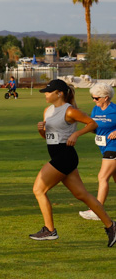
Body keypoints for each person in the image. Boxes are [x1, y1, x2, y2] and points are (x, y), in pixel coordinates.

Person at [30, 79, 116, 246]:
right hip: (57, 155)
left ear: (59, 93)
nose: (46, 94)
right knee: (82, 195)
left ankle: (50, 230)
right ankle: (111, 226)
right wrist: (42, 131)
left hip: (65, 156)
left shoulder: (69, 111)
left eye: (49, 91)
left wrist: (76, 134)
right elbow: (48, 138)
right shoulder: (47, 111)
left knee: (38, 189)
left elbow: (92, 123)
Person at [81, 83, 116, 221]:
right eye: (93, 97)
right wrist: (90, 128)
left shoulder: (114, 110)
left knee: (102, 177)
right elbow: (96, 127)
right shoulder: (96, 110)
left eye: (96, 98)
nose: (94, 100)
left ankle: (97, 209)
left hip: (113, 147)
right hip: (104, 147)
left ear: (106, 97)